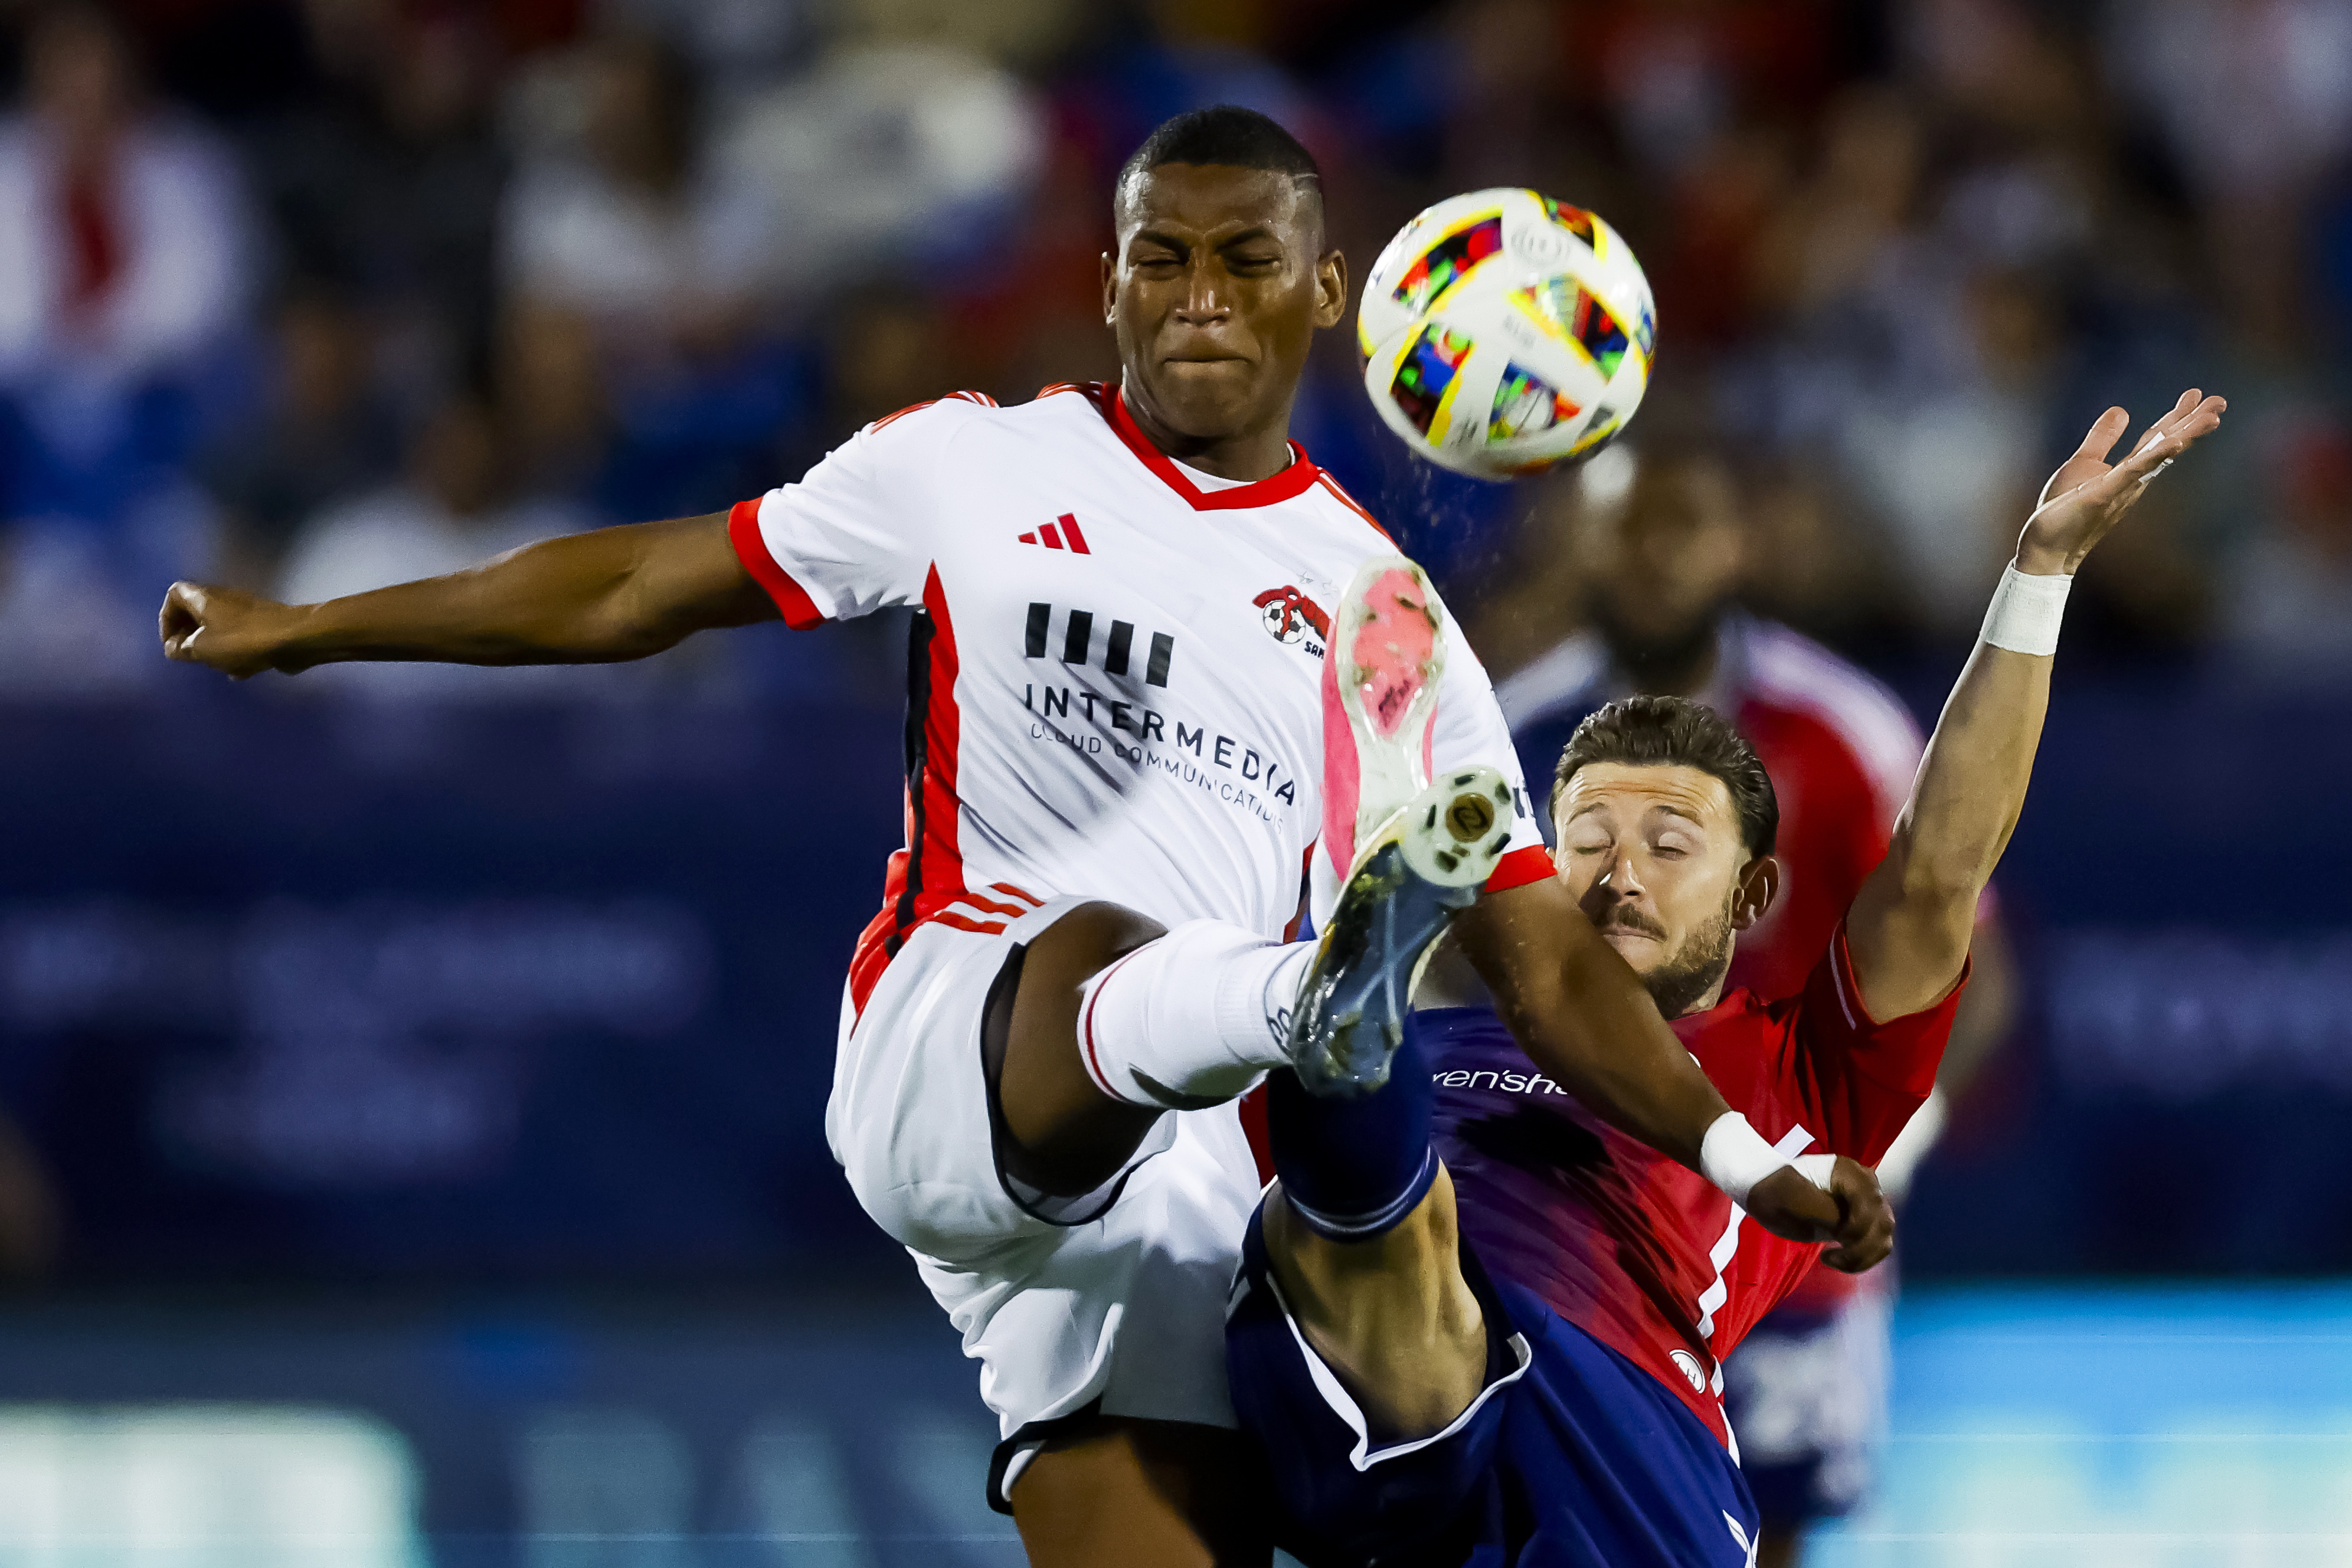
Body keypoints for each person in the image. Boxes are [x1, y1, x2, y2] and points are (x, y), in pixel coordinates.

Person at [158, 107, 1870, 1567]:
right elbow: (632, 585)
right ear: (1112, 278)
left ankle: (1321, 1018)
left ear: (1325, 295)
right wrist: (305, 624)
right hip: (960, 1036)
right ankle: (1315, 1005)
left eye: (1245, 263)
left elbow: (1556, 973)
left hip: (1176, 1201)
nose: (1199, 299)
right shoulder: (971, 465)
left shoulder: (1386, 613)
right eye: (1162, 260)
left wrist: (1744, 1162)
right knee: (1114, 950)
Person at [1224, 392, 2225, 1566]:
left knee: (1395, 1210)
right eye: (1585, 839)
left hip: (1609, 1417)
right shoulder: (1457, 1025)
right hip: (1366, 1342)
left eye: (1668, 843)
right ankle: (1353, 1032)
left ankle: (1355, 1045)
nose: (1619, 873)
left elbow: (1941, 864)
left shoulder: (1798, 1080)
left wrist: (2040, 573)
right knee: (1364, 1200)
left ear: (1753, 898)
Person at [1489, 442, 2020, 1564]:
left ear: (1736, 542)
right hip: (1576, 1211)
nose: (1652, 559)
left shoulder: (1837, 732)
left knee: (1767, 1535)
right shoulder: (1500, 734)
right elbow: (1450, 972)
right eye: (1627, 528)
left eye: (1681, 528)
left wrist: (1891, 1148)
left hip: (1781, 1204)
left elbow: (1962, 955)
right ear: (1582, 540)